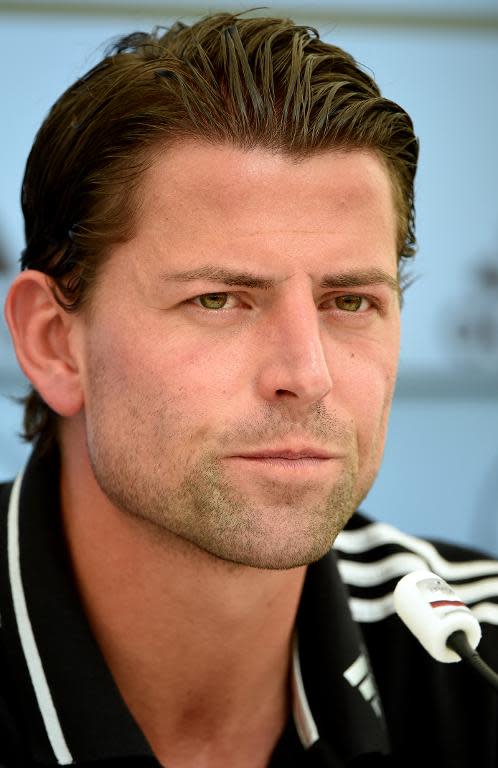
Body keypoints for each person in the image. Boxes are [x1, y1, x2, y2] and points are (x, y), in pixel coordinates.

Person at [2, 11, 498, 768]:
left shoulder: (481, 646)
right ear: (53, 344)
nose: (306, 375)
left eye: (350, 302)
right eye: (218, 300)